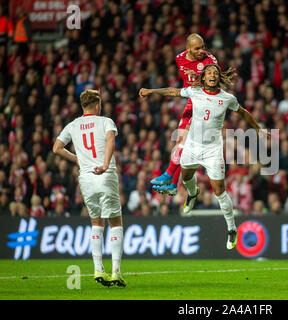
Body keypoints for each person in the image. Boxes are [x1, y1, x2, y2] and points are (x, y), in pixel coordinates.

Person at [139, 64, 269, 249]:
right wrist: (152, 90)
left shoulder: (227, 98)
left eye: (215, 73)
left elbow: (243, 112)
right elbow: (173, 92)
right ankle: (193, 194)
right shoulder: (194, 91)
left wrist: (257, 127)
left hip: (212, 151)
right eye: (209, 72)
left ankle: (232, 229)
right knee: (185, 177)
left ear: (219, 77)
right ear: (203, 77)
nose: (213, 75)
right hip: (192, 146)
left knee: (219, 191)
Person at [52, 89, 125, 287]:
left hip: (85, 178)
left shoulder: (73, 125)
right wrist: (104, 164)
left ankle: (97, 269)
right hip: (105, 174)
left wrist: (78, 159)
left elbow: (56, 148)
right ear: (97, 105)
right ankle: (116, 272)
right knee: (115, 222)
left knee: (96, 222)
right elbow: (111, 140)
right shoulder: (106, 121)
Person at [151, 34, 217, 196]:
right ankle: (173, 184)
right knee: (180, 144)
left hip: (205, 106)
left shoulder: (210, 61)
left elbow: (214, 84)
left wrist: (196, 76)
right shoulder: (179, 59)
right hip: (191, 103)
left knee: (184, 144)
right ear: (188, 49)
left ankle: (168, 175)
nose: (202, 51)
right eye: (197, 48)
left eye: (203, 47)